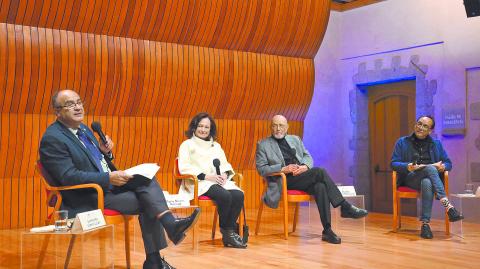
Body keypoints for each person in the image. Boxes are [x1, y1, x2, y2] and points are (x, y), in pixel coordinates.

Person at [39, 89, 200, 269]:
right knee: (150, 202)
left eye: (79, 102)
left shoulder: (83, 129)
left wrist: (105, 152)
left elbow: (95, 162)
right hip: (88, 195)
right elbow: (68, 177)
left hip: (106, 187)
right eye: (70, 104)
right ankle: (160, 250)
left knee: (148, 179)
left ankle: (162, 244)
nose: (77, 107)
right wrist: (108, 178)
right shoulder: (53, 138)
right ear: (57, 111)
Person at [255, 115, 368, 244]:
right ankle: (345, 206)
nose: (278, 129)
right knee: (319, 171)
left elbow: (307, 156)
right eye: (275, 125)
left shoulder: (295, 139)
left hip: (301, 177)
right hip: (283, 180)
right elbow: (261, 169)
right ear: (271, 127)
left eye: (281, 125)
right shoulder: (263, 144)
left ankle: (327, 230)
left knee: (320, 186)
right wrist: (283, 168)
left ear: (287, 127)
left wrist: (305, 166)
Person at [177, 113, 246, 248]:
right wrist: (207, 177)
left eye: (206, 127)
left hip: (217, 181)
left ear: (211, 129)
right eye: (200, 126)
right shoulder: (187, 144)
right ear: (194, 127)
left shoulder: (216, 146)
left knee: (238, 194)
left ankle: (228, 232)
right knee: (225, 195)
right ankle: (229, 232)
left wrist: (225, 174)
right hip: (198, 182)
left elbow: (225, 164)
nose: (203, 130)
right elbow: (184, 167)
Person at [391, 115, 464, 239]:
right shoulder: (402, 142)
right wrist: (408, 166)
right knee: (430, 168)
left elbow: (448, 163)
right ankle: (448, 206)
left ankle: (425, 225)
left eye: (425, 126)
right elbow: (393, 163)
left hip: (429, 179)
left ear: (430, 130)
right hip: (410, 178)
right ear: (415, 125)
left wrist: (443, 167)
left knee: (427, 182)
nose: (420, 127)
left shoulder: (436, 144)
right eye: (419, 124)